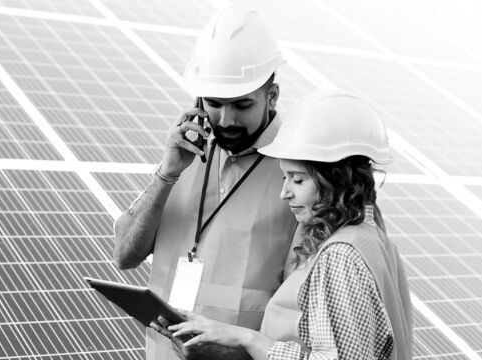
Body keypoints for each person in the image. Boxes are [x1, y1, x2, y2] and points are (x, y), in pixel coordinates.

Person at [167, 90, 414, 360]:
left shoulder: (341, 256)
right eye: (285, 177)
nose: (284, 192)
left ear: (336, 179)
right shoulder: (370, 237)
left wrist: (249, 339)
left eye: (297, 180)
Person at [112, 6, 298, 360]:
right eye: (214, 103)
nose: (226, 119)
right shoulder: (183, 156)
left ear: (272, 96)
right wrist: (168, 173)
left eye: (242, 104)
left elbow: (300, 312)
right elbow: (124, 255)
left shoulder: (299, 171)